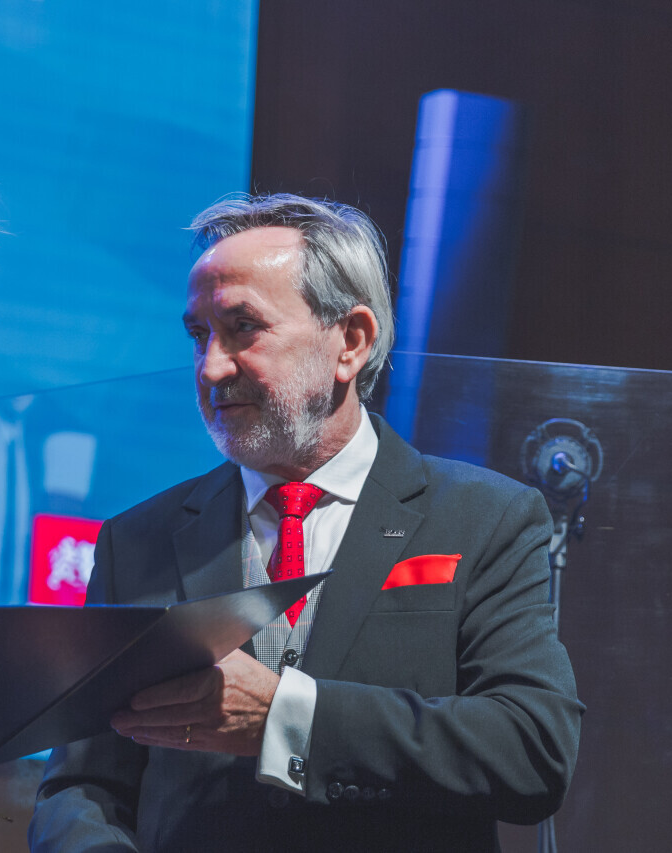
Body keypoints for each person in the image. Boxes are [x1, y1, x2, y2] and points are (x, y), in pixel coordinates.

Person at [29, 194, 583, 852]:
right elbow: (81, 786)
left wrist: (286, 717)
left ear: (351, 341)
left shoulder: (485, 518)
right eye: (199, 335)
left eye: (243, 327)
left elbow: (533, 749)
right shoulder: (137, 542)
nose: (211, 366)